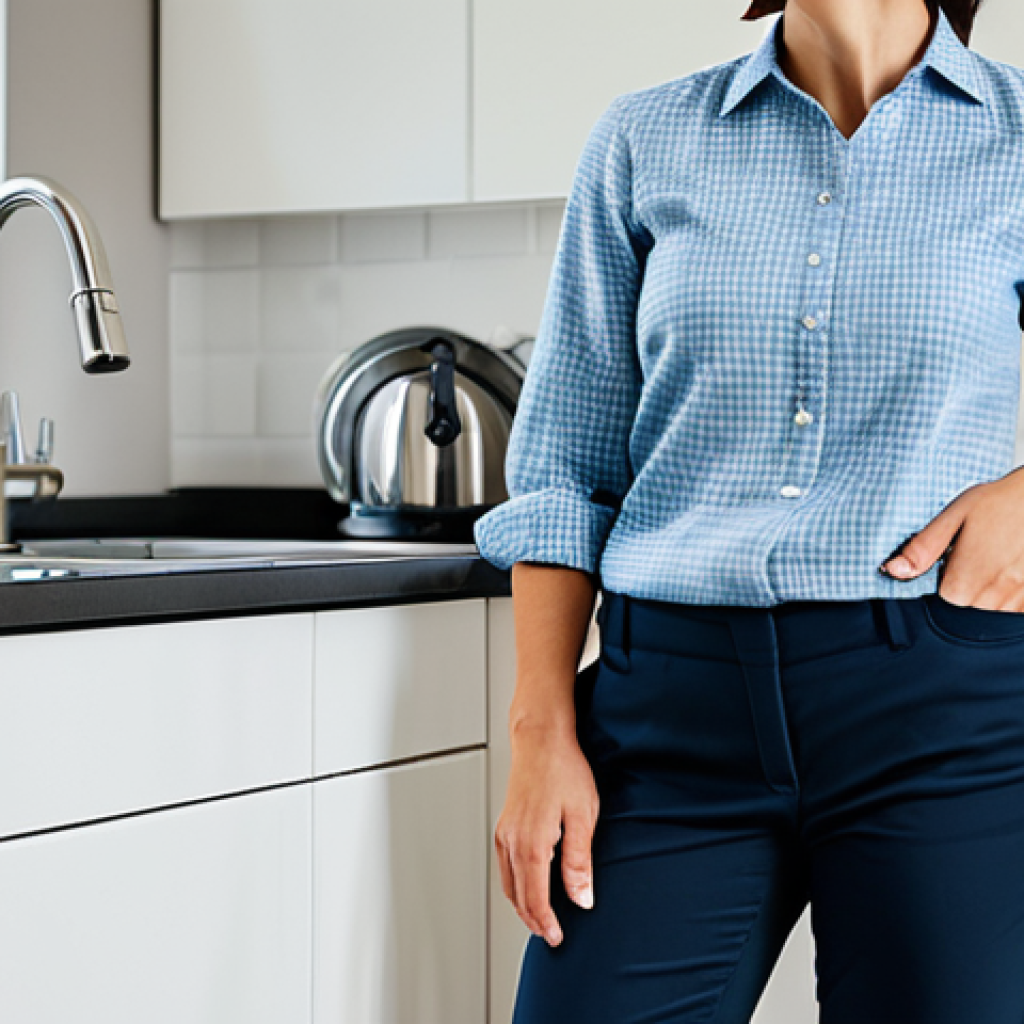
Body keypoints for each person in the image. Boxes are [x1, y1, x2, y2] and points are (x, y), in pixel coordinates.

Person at [472, 0, 1024, 1021]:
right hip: (667, 715)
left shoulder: (1015, 133)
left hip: (942, 708)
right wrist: (540, 729)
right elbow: (563, 468)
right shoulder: (645, 137)